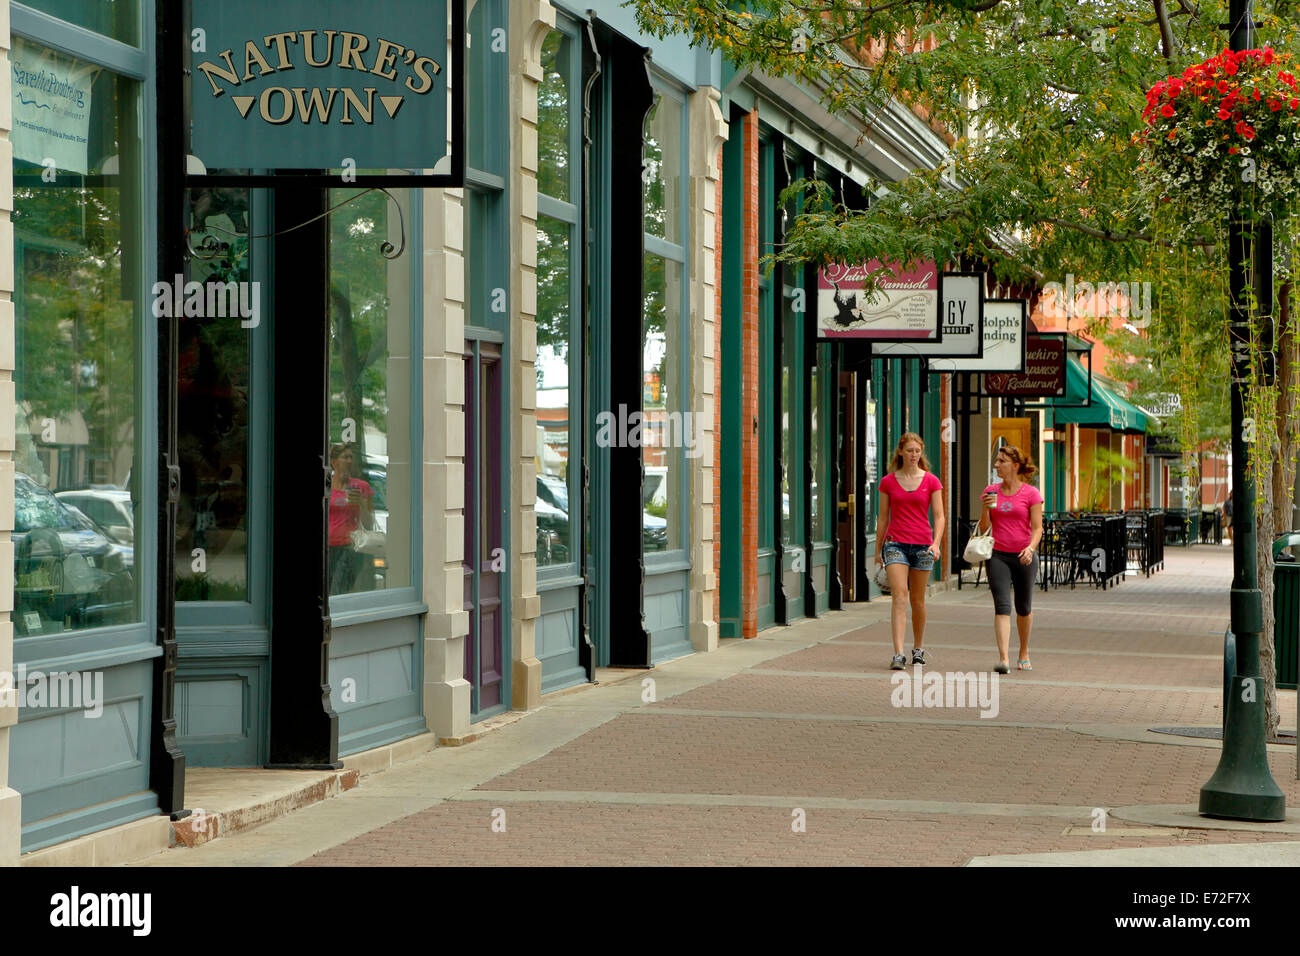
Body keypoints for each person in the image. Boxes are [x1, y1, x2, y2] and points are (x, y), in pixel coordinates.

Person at [874, 432, 946, 670]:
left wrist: (936, 543)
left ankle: (918, 648)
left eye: (918, 451)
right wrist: (878, 550)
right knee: (899, 595)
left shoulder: (931, 481)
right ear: (901, 453)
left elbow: (939, 516)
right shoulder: (888, 482)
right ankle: (897, 653)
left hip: (923, 546)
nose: (914, 455)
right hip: (895, 543)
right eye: (910, 451)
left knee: (917, 600)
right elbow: (883, 518)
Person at [978, 444, 1044, 673]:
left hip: (1024, 556)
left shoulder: (1031, 494)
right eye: (997, 461)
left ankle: (1023, 652)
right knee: (1002, 606)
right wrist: (985, 509)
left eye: (1001, 461)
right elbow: (984, 527)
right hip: (998, 555)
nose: (997, 465)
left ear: (1015, 466)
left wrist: (1030, 548)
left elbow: (1037, 528)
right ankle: (1004, 658)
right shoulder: (991, 491)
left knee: (1023, 607)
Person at [328, 443, 375, 596]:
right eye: (344, 457)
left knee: (338, 590)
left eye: (351, 457)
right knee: (326, 591)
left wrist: (360, 503)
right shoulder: (326, 484)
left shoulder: (361, 486)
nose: (349, 461)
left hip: (350, 548)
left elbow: (369, 522)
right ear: (334, 462)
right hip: (327, 548)